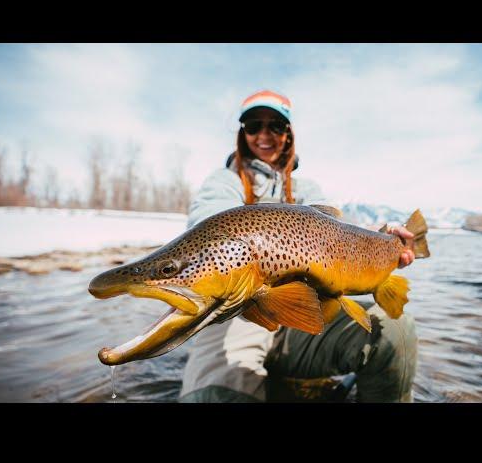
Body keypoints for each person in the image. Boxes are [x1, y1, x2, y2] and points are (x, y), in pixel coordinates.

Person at [179, 90, 418, 403]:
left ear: (287, 134)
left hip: (301, 317)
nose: (264, 135)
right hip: (236, 316)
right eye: (253, 125)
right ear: (242, 133)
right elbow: (210, 224)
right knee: (214, 397)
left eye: (275, 125)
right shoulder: (225, 181)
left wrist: (383, 236)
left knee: (394, 330)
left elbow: (339, 235)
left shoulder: (307, 190)